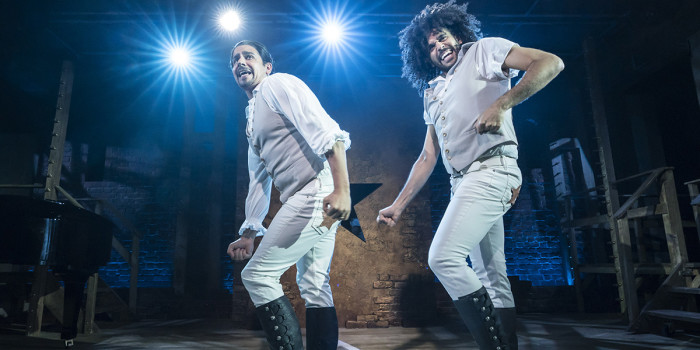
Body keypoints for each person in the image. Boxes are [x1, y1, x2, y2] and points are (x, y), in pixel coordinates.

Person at [377, 2, 564, 349]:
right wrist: (398, 204)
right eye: (430, 47)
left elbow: (550, 63)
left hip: (492, 169)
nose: (438, 48)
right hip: (461, 182)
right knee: (491, 275)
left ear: (457, 33)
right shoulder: (432, 92)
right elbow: (427, 156)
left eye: (442, 38)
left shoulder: (483, 51)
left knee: (443, 257)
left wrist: (501, 104)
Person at [226, 40, 351, 350]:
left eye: (248, 56)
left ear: (267, 66)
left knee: (257, 276)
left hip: (313, 192)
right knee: (314, 283)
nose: (240, 61)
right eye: (234, 59)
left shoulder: (277, 85)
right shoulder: (253, 118)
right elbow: (259, 180)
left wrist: (342, 190)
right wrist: (249, 232)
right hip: (308, 196)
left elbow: (327, 131)